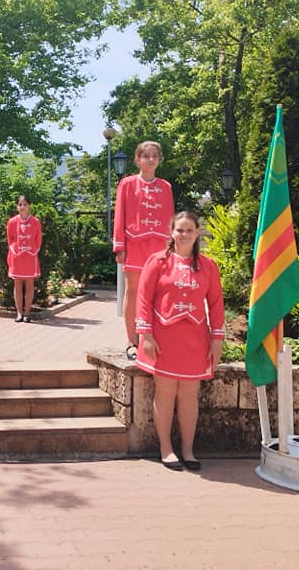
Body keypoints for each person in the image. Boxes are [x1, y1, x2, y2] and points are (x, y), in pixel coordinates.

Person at [134, 212, 224, 471]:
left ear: (198, 233)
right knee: (165, 393)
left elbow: (216, 304)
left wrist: (217, 339)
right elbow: (143, 299)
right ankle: (166, 449)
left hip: (196, 340)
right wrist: (146, 335)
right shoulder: (157, 262)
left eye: (189, 230)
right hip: (163, 338)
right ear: (171, 232)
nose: (184, 235)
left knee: (189, 395)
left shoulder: (208, 266)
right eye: (179, 230)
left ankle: (188, 449)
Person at [112, 140, 174, 359]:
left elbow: (169, 218)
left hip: (158, 246)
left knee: (157, 293)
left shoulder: (166, 187)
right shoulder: (127, 184)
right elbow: (120, 213)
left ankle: (152, 337)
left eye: (154, 156)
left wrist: (171, 247)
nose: (150, 159)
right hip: (135, 244)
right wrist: (119, 245)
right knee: (134, 291)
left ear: (160, 159)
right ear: (137, 159)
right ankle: (131, 340)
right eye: (146, 156)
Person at [6, 195, 42, 322]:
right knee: (17, 285)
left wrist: (34, 250)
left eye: (25, 204)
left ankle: (27, 313)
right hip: (17, 257)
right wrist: (14, 250)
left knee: (29, 285)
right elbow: (10, 239)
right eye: (20, 204)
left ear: (29, 206)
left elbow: (38, 239)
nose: (22, 207)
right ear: (17, 207)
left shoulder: (35, 221)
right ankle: (19, 313)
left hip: (30, 257)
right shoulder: (12, 222)